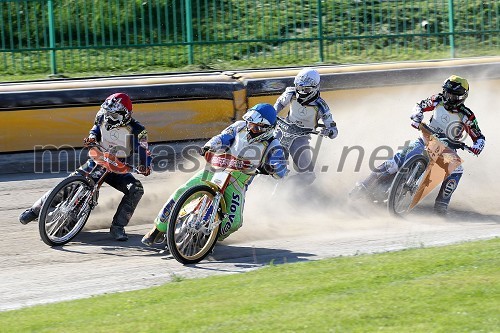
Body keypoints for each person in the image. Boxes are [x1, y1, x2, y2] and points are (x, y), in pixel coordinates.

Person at [142, 103, 287, 246]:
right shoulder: (238, 126)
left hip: (237, 181)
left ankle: (209, 239)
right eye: (250, 123)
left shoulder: (273, 144)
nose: (251, 128)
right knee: (183, 191)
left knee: (234, 223)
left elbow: (279, 169)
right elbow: (222, 137)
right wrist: (209, 146)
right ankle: (157, 229)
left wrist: (272, 169)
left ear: (268, 129)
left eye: (256, 127)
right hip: (215, 168)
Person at [19, 92, 152, 241]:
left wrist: (145, 165)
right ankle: (35, 210)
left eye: (114, 116)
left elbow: (144, 150)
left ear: (126, 115)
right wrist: (92, 137)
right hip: (97, 161)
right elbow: (95, 129)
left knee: (136, 189)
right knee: (70, 181)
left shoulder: (139, 131)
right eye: (107, 113)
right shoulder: (101, 116)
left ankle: (118, 227)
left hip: (117, 169)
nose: (109, 118)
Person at [352, 75, 485, 215]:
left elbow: (479, 137)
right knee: (394, 162)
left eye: (452, 95)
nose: (448, 97)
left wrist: (477, 146)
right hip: (425, 139)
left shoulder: (467, 116)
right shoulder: (437, 99)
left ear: (461, 97)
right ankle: (364, 186)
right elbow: (419, 105)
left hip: (446, 150)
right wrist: (416, 117)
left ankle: (441, 205)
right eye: (446, 92)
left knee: (457, 170)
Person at [274, 67, 338, 182]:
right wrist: (272, 115)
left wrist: (329, 131)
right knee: (266, 155)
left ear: (315, 87)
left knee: (308, 175)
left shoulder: (321, 106)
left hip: (301, 138)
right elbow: (279, 104)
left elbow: (334, 130)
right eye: (299, 87)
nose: (301, 92)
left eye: (306, 89)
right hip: (283, 129)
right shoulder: (290, 92)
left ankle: (289, 189)